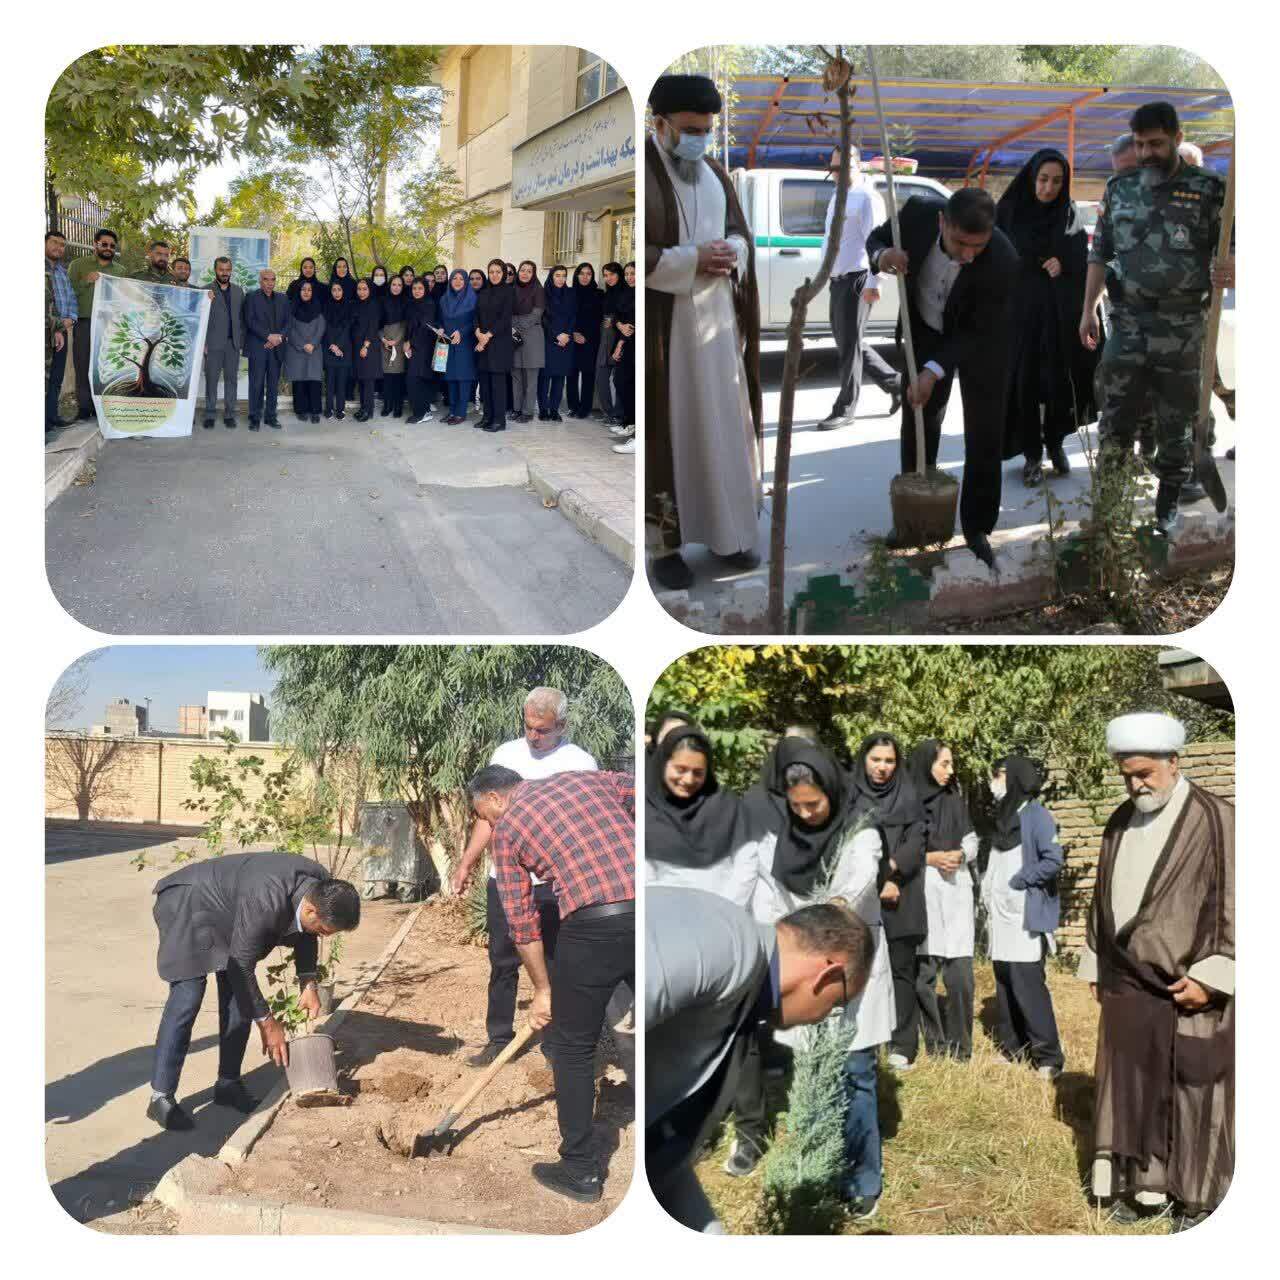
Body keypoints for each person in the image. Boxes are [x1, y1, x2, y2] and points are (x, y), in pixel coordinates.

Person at [1077, 713, 1234, 1231]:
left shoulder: (1217, 819)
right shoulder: (1119, 821)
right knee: (1130, 1087)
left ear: (1174, 761)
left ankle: (1196, 1200)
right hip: (1128, 988)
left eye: (1144, 772)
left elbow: (1239, 900)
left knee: (1194, 1087)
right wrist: (1099, 962)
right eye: (1126, 774)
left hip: (1190, 989)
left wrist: (1214, 978)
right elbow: (1101, 901)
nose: (1135, 784)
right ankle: (1142, 1189)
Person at [646, 886, 874, 1233]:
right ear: (827, 975)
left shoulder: (744, 1002)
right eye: (837, 1003)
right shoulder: (724, 943)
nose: (824, 1017)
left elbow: (665, 1157)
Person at [467, 763, 635, 1204]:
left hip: (594, 921)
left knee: (573, 1047)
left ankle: (579, 1171)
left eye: (484, 815)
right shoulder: (586, 778)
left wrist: (543, 990)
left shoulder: (508, 830)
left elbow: (521, 922)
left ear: (496, 798)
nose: (487, 825)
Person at [740, 738, 894, 1219]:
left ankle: (864, 1177)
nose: (806, 813)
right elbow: (768, 894)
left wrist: (833, 911)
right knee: (812, 1072)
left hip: (853, 965)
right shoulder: (782, 839)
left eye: (814, 803)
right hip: (804, 970)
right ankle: (820, 1164)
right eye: (797, 806)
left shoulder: (859, 832)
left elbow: (856, 884)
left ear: (832, 790)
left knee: (855, 1073)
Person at [1081, 101, 1233, 533]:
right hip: (1127, 323)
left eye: (1156, 144)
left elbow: (1239, 243)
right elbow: (1100, 252)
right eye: (1141, 144)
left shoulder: (1211, 189)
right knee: (1115, 422)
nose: (1147, 152)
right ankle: (1107, 514)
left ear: (1178, 139)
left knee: (1176, 424)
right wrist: (1087, 308)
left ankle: (1167, 505)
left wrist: (1234, 265)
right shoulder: (1119, 188)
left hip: (1184, 328)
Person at [647, 75, 765, 590]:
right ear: (660, 125)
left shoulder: (716, 172)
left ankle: (731, 535)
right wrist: (693, 259)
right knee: (672, 439)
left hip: (719, 333)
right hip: (667, 340)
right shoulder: (643, 174)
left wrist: (731, 253)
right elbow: (636, 260)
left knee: (725, 431)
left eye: (706, 130)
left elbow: (741, 233)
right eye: (690, 129)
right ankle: (667, 548)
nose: (699, 139)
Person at [147, 852, 361, 1131]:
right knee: (188, 997)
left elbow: (307, 935)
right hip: (188, 904)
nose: (325, 937)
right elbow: (241, 968)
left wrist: (308, 982)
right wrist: (268, 1023)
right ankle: (160, 1097)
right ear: (310, 911)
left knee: (238, 1000)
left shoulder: (319, 887)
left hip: (228, 911)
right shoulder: (267, 899)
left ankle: (228, 1084)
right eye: (325, 931)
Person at [868, 187, 1018, 568]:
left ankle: (977, 525)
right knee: (919, 417)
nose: (968, 255)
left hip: (982, 342)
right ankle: (916, 517)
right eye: (960, 243)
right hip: (925, 330)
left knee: (984, 430)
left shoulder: (1002, 259)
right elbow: (877, 239)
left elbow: (975, 333)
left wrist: (935, 370)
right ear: (941, 223)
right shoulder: (918, 213)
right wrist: (882, 255)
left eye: (977, 246)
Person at [450, 688, 597, 1065]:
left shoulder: (579, 762)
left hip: (553, 883)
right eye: (529, 727)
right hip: (505, 878)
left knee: (553, 962)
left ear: (561, 725)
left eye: (543, 730)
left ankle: (554, 1045)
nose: (533, 737)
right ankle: (499, 1038)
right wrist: (467, 862)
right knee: (502, 961)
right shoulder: (506, 755)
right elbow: (487, 817)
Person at [996, 149, 1101, 487]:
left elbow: (1083, 262)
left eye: (1057, 181)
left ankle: (1055, 444)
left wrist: (1064, 265)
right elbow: (994, 260)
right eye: (1043, 179)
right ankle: (1031, 454)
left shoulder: (1068, 214)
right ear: (1031, 177)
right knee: (1024, 384)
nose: (1048, 188)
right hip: (1019, 317)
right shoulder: (1009, 212)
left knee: (1058, 382)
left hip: (1057, 316)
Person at [982, 755, 1064, 1077]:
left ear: (1015, 777)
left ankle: (1048, 1057)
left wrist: (1020, 880)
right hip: (1001, 919)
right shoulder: (1004, 817)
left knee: (1029, 988)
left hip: (1023, 919)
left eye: (1000, 774)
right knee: (1004, 985)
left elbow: (1053, 860)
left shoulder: (1036, 815)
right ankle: (1014, 1049)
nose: (995, 780)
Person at [848, 732, 926, 1072]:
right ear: (864, 759)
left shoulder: (910, 797)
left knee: (901, 971)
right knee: (860, 969)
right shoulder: (849, 799)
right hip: (862, 898)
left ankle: (903, 1043)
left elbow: (916, 842)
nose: (882, 767)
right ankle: (866, 1037)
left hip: (902, 895)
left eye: (889, 761)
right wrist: (879, 879)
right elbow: (847, 846)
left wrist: (891, 876)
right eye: (876, 759)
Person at [817, 146, 903, 430]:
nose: (837, 174)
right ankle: (896, 383)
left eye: (843, 168)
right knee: (849, 342)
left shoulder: (867, 197)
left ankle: (845, 408)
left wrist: (874, 283)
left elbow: (876, 243)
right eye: (834, 168)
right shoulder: (837, 197)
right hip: (838, 280)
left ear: (858, 166)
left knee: (849, 346)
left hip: (857, 280)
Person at [908, 739, 978, 1061]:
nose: (950, 771)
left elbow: (971, 837)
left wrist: (961, 854)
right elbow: (899, 849)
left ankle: (961, 1047)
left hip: (956, 889)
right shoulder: (907, 803)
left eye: (952, 764)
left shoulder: (954, 801)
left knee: (961, 976)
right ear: (926, 764)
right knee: (925, 976)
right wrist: (930, 857)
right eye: (944, 764)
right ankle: (935, 1044)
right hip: (925, 892)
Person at [644, 721, 753, 905]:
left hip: (724, 912)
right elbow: (646, 874)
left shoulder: (727, 804)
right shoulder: (647, 808)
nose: (688, 780)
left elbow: (747, 862)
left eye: (698, 773)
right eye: (680, 770)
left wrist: (724, 908)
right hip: (665, 914)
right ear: (664, 764)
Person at [67, 227, 126, 420]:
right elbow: (67, 293)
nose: (108, 248)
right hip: (84, 322)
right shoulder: (78, 265)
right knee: (83, 364)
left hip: (110, 323)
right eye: (105, 244)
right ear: (95, 244)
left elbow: (125, 297)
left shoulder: (120, 270)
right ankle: (85, 408)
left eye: (112, 246)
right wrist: (86, 280)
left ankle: (104, 406)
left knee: (107, 366)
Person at [242, 268, 290, 430]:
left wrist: (278, 338)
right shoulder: (251, 297)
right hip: (258, 347)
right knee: (256, 384)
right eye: (266, 279)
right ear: (260, 281)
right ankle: (254, 418)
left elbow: (288, 323)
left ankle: (271, 416)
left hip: (277, 349)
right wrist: (268, 337)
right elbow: (249, 321)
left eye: (273, 279)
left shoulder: (283, 298)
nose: (270, 283)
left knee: (272, 385)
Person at [201, 255, 245, 429]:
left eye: (228, 270)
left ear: (231, 271)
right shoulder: (206, 291)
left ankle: (229, 414)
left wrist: (240, 340)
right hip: (212, 344)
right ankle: (210, 414)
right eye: (221, 270)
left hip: (232, 344)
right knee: (211, 379)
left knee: (231, 379)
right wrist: (204, 342)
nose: (225, 273)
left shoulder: (238, 291)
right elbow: (201, 319)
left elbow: (242, 318)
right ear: (215, 270)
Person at [474, 258, 514, 432]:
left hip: (499, 343)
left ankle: (499, 420)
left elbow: (505, 319)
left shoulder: (509, 292)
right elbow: (476, 315)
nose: (495, 275)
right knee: (485, 383)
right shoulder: (483, 292)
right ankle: (487, 416)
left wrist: (487, 336)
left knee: (497, 384)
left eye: (498, 272)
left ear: (503, 273)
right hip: (483, 343)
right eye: (491, 272)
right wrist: (477, 332)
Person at [44, 230, 77, 432]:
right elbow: (46, 302)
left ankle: (51, 417)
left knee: (56, 377)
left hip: (62, 330)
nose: (59, 247)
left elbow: (72, 298)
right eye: (54, 242)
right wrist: (56, 325)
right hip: (47, 330)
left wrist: (70, 319)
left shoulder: (63, 272)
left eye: (62, 244)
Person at [438, 268, 478, 424]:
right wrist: (440, 327)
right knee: (451, 378)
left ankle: (461, 413)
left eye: (461, 279)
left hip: (465, 344)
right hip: (447, 343)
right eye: (455, 278)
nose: (458, 281)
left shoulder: (473, 298)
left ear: (466, 281)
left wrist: (462, 332)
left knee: (463, 379)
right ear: (450, 280)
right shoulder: (444, 299)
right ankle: (452, 411)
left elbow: (475, 322)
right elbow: (440, 319)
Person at [538, 265, 577, 421]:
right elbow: (543, 318)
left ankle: (554, 410)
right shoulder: (544, 294)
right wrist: (556, 335)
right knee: (545, 377)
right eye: (557, 275)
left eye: (563, 275)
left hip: (566, 341)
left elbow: (573, 316)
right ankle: (543, 409)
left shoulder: (570, 293)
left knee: (560, 377)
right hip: (549, 340)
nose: (561, 279)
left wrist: (567, 334)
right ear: (551, 277)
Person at [284, 280, 325, 423]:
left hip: (314, 350)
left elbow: (321, 327)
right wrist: (302, 345)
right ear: (298, 292)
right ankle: (300, 410)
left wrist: (312, 344)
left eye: (309, 290)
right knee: (299, 381)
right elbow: (289, 329)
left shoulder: (318, 307)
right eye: (303, 289)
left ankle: (315, 411)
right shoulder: (291, 308)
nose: (306, 292)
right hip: (296, 351)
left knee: (314, 381)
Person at [510, 260, 545, 422]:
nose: (524, 273)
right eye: (522, 270)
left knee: (531, 378)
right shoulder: (512, 289)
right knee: (516, 375)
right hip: (514, 336)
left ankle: (528, 412)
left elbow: (536, 314)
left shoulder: (538, 290)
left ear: (534, 273)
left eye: (529, 271)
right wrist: (513, 325)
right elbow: (506, 312)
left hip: (532, 337)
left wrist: (516, 323)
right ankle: (517, 409)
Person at [568, 262, 604, 419]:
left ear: (592, 276)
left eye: (588, 273)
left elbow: (598, 320)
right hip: (572, 338)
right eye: (582, 273)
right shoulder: (569, 293)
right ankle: (573, 406)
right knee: (571, 374)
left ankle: (585, 408)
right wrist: (573, 333)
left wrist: (586, 336)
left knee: (588, 375)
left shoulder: (599, 294)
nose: (585, 276)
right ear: (576, 275)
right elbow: (566, 316)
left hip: (591, 340)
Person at [610, 262, 638, 453]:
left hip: (636, 342)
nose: (629, 277)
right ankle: (631, 422)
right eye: (627, 274)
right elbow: (617, 318)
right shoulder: (625, 293)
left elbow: (634, 323)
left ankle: (637, 430)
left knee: (631, 383)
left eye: (633, 274)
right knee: (621, 381)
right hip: (625, 341)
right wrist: (620, 326)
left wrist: (621, 341)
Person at [403, 277, 438, 424]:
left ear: (425, 289)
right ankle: (423, 410)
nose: (417, 291)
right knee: (415, 379)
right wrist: (406, 342)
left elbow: (425, 327)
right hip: (412, 346)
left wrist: (410, 342)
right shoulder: (412, 305)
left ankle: (421, 412)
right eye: (414, 288)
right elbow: (409, 326)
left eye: (420, 288)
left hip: (423, 347)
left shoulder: (429, 304)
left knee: (416, 379)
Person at [349, 278, 382, 422]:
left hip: (368, 347)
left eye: (364, 289)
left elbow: (373, 327)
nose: (361, 292)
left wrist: (365, 345)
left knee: (368, 381)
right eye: (359, 289)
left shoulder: (373, 305)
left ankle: (369, 411)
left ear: (370, 290)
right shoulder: (357, 305)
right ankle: (363, 408)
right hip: (357, 346)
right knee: (361, 379)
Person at [321, 279, 352, 421]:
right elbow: (325, 328)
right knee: (330, 383)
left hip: (344, 350)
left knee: (341, 384)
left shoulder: (349, 306)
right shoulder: (326, 306)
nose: (337, 293)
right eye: (334, 290)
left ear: (343, 291)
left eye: (339, 290)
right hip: (329, 349)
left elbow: (348, 328)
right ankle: (328, 409)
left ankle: (340, 410)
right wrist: (333, 346)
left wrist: (339, 345)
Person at [598, 261, 625, 423]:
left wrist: (614, 321)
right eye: (606, 275)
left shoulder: (626, 293)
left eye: (612, 274)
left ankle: (619, 414)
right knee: (601, 377)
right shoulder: (606, 294)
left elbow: (626, 316)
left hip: (620, 337)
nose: (609, 278)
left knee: (620, 379)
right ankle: (609, 413)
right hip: (605, 336)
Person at [378, 274, 408, 417]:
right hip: (384, 342)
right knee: (387, 376)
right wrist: (383, 339)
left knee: (398, 377)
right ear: (390, 286)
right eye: (394, 284)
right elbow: (376, 324)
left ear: (403, 287)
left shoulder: (406, 302)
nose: (396, 287)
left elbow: (406, 325)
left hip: (399, 342)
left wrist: (396, 340)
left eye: (399, 285)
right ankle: (387, 405)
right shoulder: (382, 301)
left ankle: (398, 407)